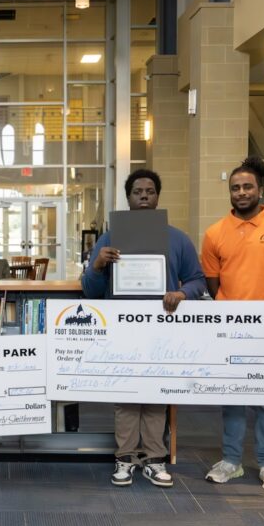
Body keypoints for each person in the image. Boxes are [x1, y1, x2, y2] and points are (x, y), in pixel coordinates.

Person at [81, 169, 206, 488]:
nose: (144, 196)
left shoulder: (177, 238)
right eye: (138, 192)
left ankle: (153, 459)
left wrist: (182, 293)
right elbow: (91, 291)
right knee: (125, 395)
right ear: (129, 198)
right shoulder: (109, 239)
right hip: (122, 329)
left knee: (155, 394)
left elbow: (197, 280)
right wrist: (97, 266)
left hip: (161, 328)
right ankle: (124, 459)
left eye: (150, 191)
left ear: (158, 197)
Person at [200, 157, 264, 491]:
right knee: (232, 394)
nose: (241, 193)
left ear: (260, 189)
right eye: (235, 188)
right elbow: (214, 285)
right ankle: (231, 461)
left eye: (247, 187)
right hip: (229, 322)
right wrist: (235, 308)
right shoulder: (215, 233)